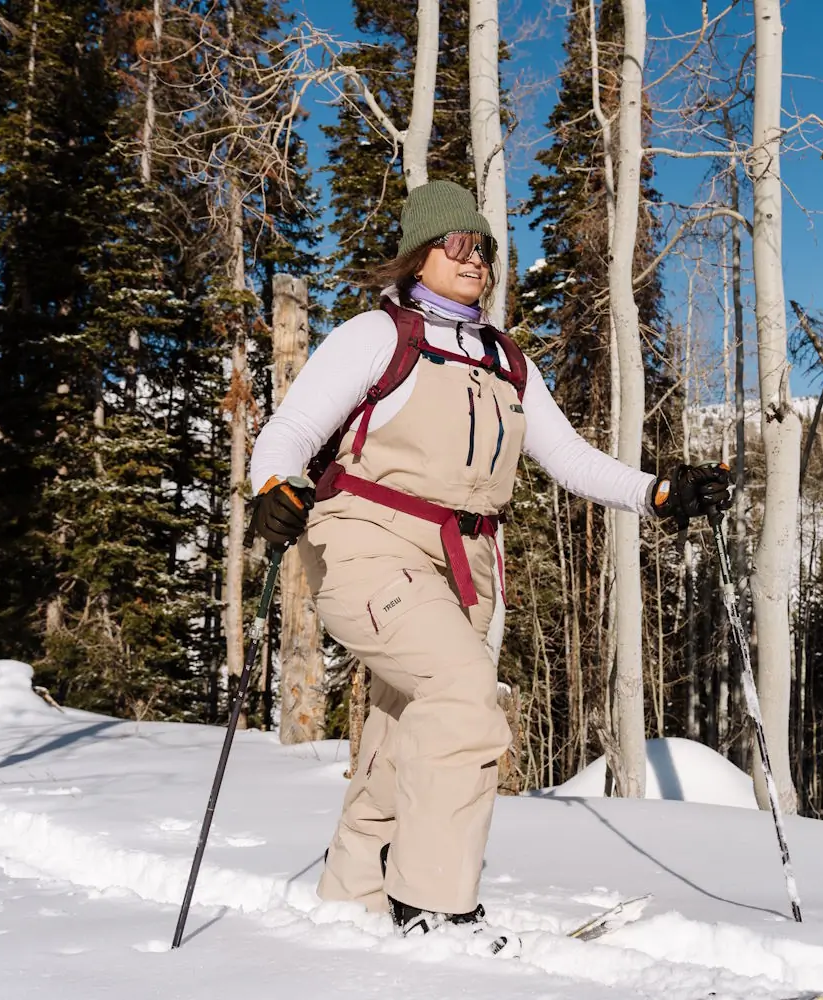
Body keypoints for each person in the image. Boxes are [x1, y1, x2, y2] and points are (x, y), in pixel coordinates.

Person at [248, 179, 730, 938]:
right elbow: (291, 429)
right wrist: (272, 486)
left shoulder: (505, 361)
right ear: (419, 255)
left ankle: (353, 894)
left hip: (462, 561)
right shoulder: (378, 336)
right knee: (464, 692)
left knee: (406, 724)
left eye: (486, 248)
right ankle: (434, 903)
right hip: (366, 542)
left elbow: (570, 460)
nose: (477, 260)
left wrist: (658, 495)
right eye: (459, 244)